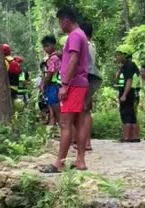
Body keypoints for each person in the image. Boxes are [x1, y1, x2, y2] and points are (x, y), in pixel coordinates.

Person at [41, 6, 90, 173]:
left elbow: (73, 60)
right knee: (79, 122)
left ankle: (59, 162)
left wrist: (65, 85)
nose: (60, 26)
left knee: (65, 122)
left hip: (74, 84)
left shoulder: (75, 36)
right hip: (81, 83)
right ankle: (80, 160)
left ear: (66, 20)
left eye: (60, 22)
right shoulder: (81, 35)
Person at [77, 21, 102, 151]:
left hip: (84, 77)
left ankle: (84, 142)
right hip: (91, 77)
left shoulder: (83, 44)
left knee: (83, 110)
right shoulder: (92, 44)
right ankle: (87, 142)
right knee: (86, 110)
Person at [114, 44, 141, 143]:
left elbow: (129, 80)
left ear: (125, 55)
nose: (116, 57)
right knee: (131, 114)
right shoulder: (126, 66)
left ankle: (127, 137)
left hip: (127, 92)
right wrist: (120, 68)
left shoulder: (129, 65)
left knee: (126, 114)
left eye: (118, 55)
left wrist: (124, 95)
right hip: (130, 92)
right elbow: (117, 78)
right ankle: (133, 137)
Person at [40, 35, 62, 126]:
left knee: (56, 108)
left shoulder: (53, 58)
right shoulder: (55, 57)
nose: (46, 48)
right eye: (44, 46)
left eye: (48, 46)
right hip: (54, 85)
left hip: (53, 86)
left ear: (54, 45)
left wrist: (44, 85)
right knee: (52, 110)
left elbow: (50, 73)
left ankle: (63, 128)